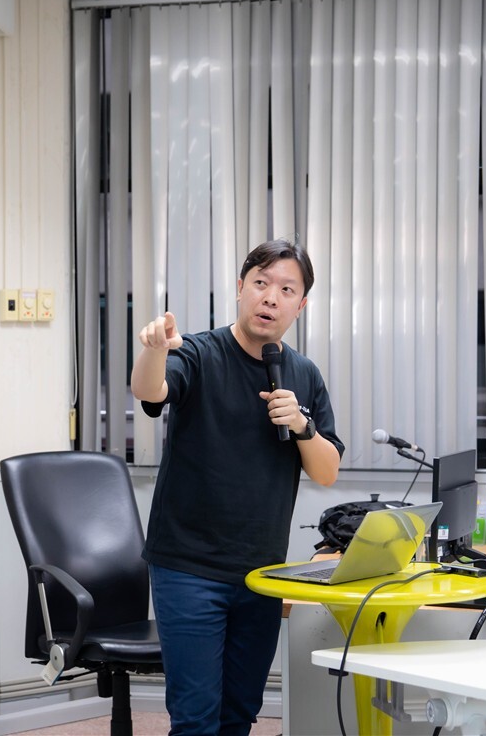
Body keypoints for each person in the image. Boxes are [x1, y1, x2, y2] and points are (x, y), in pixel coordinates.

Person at [131, 239, 344, 735]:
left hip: (262, 571)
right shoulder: (199, 353)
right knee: (196, 719)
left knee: (240, 715)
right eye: (261, 283)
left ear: (300, 306)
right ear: (240, 288)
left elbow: (327, 471)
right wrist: (155, 350)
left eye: (286, 289)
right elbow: (150, 391)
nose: (270, 297)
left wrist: (303, 427)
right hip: (188, 567)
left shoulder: (303, 373)